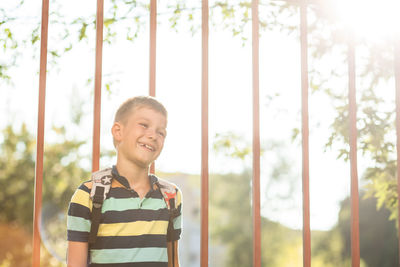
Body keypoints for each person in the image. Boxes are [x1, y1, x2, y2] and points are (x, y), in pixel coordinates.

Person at [66, 96, 182, 267]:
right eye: (144, 125)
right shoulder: (88, 195)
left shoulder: (171, 196)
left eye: (161, 132)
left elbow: (173, 262)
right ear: (118, 132)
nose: (153, 135)